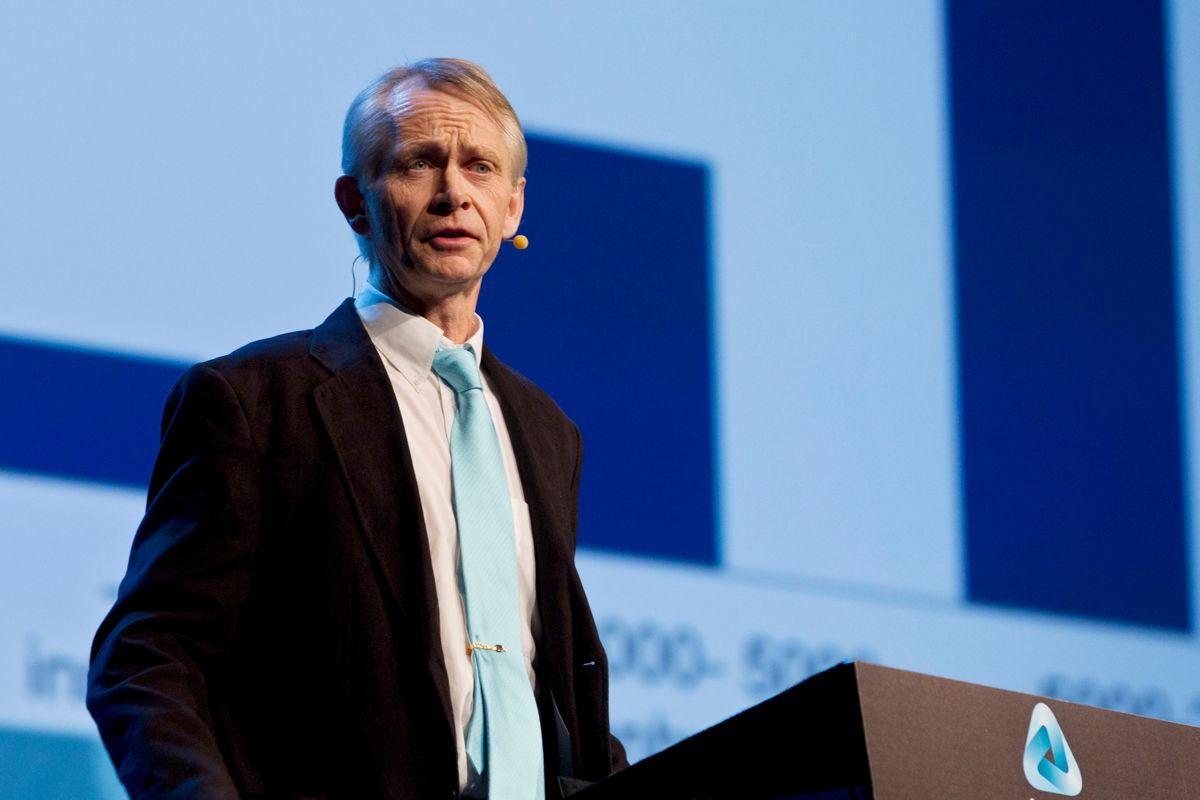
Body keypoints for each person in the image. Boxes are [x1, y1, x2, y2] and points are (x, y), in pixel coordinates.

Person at [87, 57, 626, 800]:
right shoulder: (252, 402)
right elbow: (148, 656)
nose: (452, 195)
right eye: (418, 164)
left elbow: (543, 681)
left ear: (512, 208)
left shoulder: (546, 430)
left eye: (479, 168)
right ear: (355, 202)